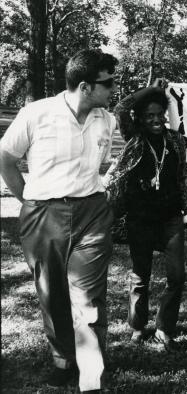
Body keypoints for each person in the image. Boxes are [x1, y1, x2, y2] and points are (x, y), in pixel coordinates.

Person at [0, 49, 118, 392]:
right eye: (108, 83)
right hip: (42, 214)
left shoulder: (105, 119)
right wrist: (28, 198)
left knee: (88, 295)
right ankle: (63, 359)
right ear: (85, 86)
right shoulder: (36, 114)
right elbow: (6, 157)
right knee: (51, 292)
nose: (113, 88)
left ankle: (92, 375)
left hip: (92, 213)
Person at [103, 79, 187, 351]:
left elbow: (183, 171)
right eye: (149, 115)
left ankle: (164, 329)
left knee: (176, 277)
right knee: (141, 276)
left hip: (170, 218)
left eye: (159, 115)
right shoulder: (135, 139)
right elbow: (120, 108)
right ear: (140, 118)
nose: (155, 120)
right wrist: (150, 89)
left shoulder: (175, 141)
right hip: (140, 218)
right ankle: (138, 326)